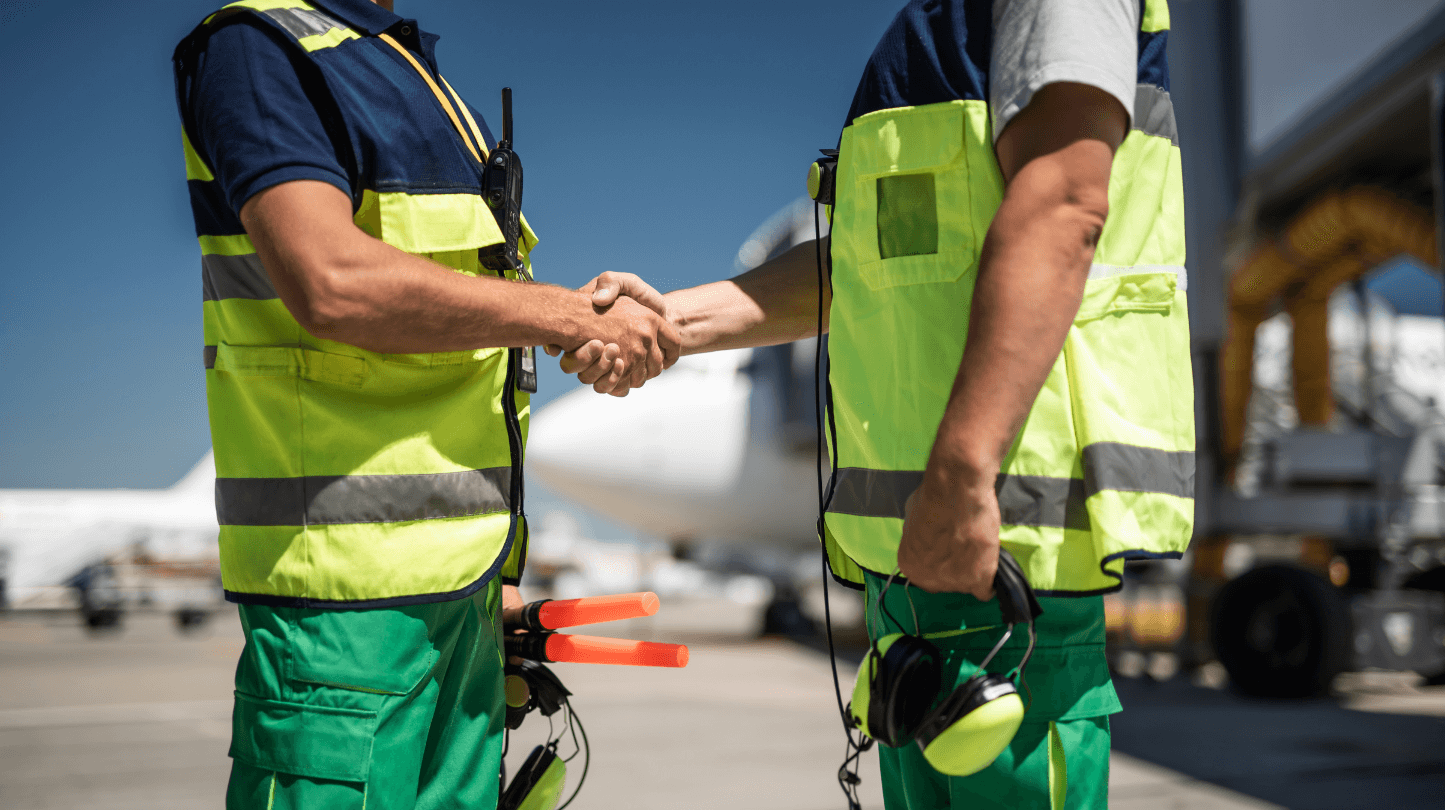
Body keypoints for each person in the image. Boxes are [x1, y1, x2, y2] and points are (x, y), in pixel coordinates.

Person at [567, 0, 1193, 806]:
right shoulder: (941, 27)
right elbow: (866, 265)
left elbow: (1063, 203)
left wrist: (963, 476)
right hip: (925, 574)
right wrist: (672, 322)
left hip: (999, 567)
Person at [172, 1, 677, 807]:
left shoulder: (420, 78)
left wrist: (496, 584)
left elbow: (470, 371)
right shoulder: (263, 46)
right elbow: (330, 281)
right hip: (341, 610)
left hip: (463, 609)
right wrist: (567, 315)